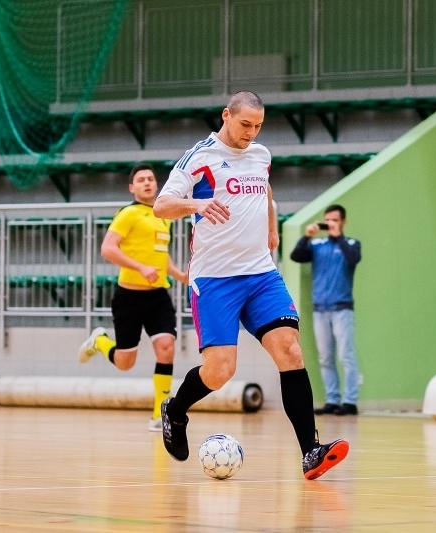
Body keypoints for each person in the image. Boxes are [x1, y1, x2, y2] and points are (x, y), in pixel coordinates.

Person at [152, 91, 349, 480]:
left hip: (261, 274)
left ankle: (311, 450)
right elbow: (162, 205)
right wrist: (196, 205)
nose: (251, 133)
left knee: (291, 351)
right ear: (226, 115)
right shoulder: (200, 157)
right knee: (221, 370)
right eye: (245, 124)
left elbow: (267, 191)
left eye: (258, 126)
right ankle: (175, 410)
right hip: (215, 278)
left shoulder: (261, 155)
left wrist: (272, 227)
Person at [78, 163, 188, 431]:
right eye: (141, 180)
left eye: (151, 179)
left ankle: (159, 415)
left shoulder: (163, 216)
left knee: (166, 348)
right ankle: (100, 341)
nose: (148, 183)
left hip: (158, 297)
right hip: (129, 297)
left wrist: (179, 275)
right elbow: (107, 249)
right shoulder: (128, 214)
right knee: (126, 362)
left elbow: (160, 255)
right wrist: (139, 267)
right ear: (132, 187)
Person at [290, 205, 362, 416]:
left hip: (342, 309)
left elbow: (353, 259)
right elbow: (296, 255)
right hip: (320, 310)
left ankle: (350, 401)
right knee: (325, 358)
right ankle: (332, 399)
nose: (330, 223)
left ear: (343, 222)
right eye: (327, 220)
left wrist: (338, 236)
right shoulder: (317, 245)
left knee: (346, 356)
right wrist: (306, 237)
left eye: (335, 220)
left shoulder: (351, 243)